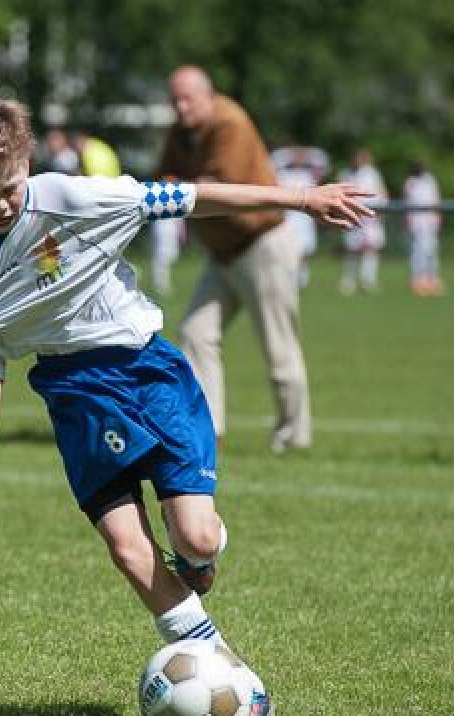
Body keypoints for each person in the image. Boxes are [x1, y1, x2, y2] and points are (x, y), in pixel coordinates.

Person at [0, 92, 371, 716]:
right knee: (129, 550)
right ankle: (231, 678)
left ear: (25, 160)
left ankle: (202, 555)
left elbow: (190, 196)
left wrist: (302, 199)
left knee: (194, 536)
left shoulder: (78, 198)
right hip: (74, 395)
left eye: (9, 188)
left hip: (146, 373)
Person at [157, 65, 313, 453]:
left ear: (208, 95)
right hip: (222, 253)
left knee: (279, 347)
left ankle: (294, 438)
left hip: (263, 245)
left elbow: (215, 189)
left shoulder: (232, 123)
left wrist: (178, 188)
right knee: (196, 332)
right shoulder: (181, 131)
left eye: (187, 99)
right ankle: (209, 432)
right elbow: (162, 181)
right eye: (175, 100)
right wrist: (180, 187)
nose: (180, 107)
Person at [271, 145, 329, 288]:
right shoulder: (282, 174)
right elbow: (271, 161)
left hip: (304, 219)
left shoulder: (309, 175)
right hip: (287, 219)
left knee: (303, 250)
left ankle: (301, 279)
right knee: (285, 251)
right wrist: (288, 153)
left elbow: (323, 161)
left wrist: (305, 153)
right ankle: (287, 278)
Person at [338, 148, 388, 295]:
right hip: (352, 216)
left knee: (371, 249)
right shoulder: (345, 174)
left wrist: (381, 210)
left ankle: (368, 280)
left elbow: (382, 192)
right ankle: (348, 281)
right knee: (352, 249)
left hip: (371, 218)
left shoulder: (372, 173)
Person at [403, 161, 444, 296]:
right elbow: (407, 202)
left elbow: (436, 199)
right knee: (418, 253)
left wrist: (438, 217)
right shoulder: (410, 182)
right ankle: (418, 280)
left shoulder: (430, 180)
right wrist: (408, 221)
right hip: (416, 222)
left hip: (430, 221)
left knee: (431, 251)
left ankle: (432, 280)